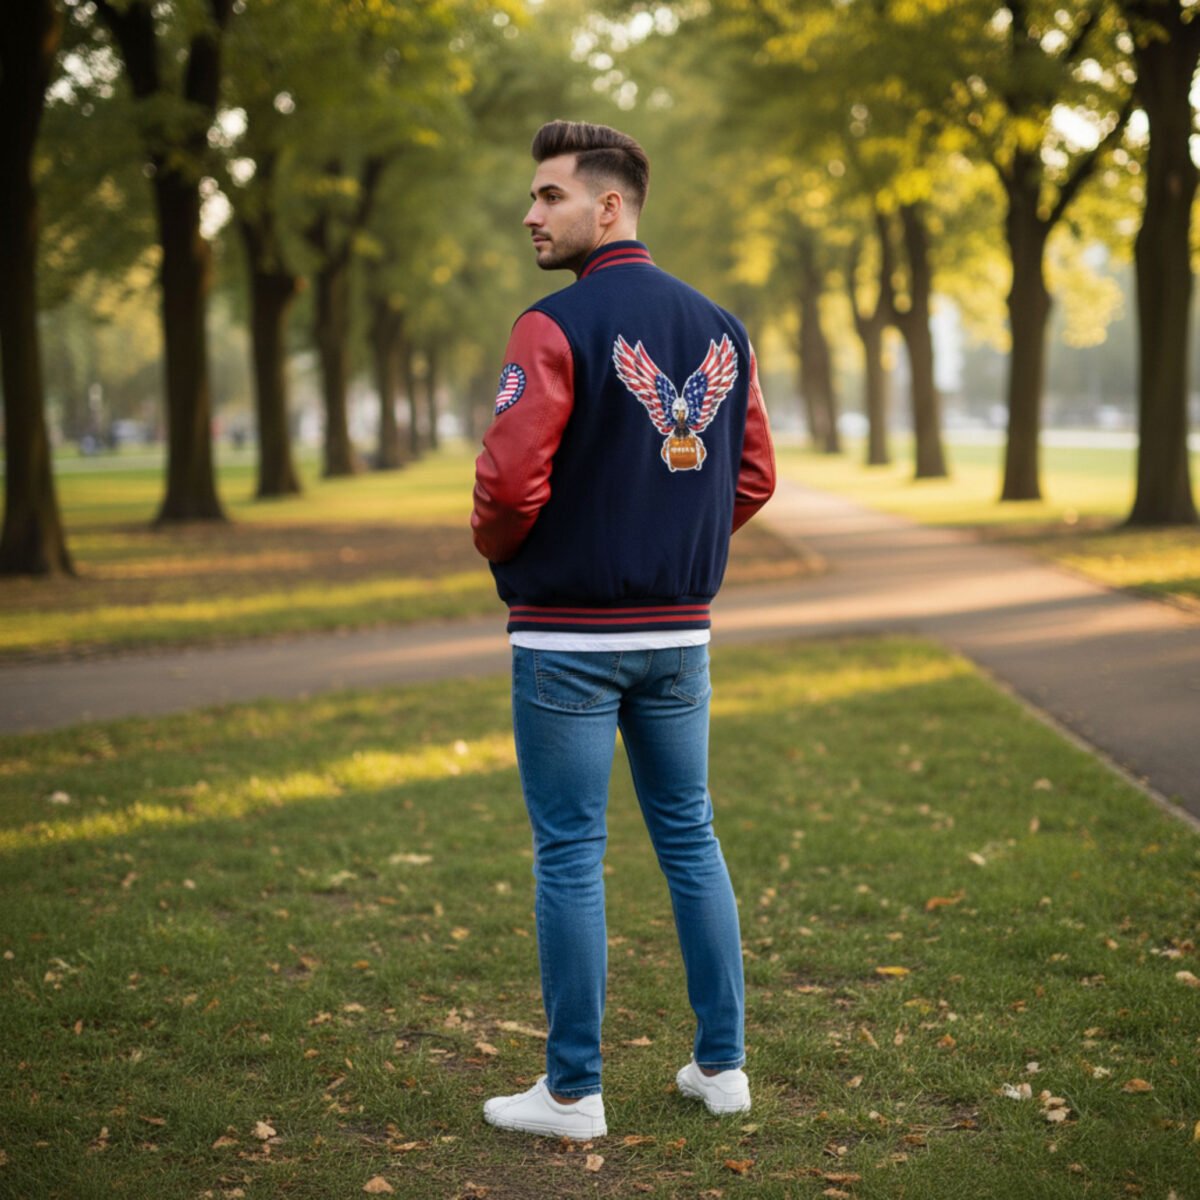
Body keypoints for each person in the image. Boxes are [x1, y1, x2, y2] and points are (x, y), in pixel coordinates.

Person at [471, 119, 776, 1140]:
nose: (529, 214)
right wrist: (667, 543)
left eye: (548, 195)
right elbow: (755, 476)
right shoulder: (723, 329)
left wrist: (506, 555)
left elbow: (510, 483)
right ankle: (722, 1069)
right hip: (679, 637)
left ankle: (571, 1093)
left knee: (569, 852)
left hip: (564, 638)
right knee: (691, 838)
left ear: (609, 206)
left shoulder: (550, 326)